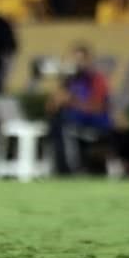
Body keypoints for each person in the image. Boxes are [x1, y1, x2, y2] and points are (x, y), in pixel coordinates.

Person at [47, 44, 112, 175]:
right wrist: (56, 101)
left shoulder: (97, 80)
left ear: (89, 60)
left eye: (81, 59)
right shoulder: (68, 80)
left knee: (65, 125)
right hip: (69, 122)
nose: (77, 64)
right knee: (55, 122)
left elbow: (99, 108)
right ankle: (60, 168)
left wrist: (72, 101)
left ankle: (70, 170)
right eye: (74, 59)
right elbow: (50, 108)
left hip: (93, 123)